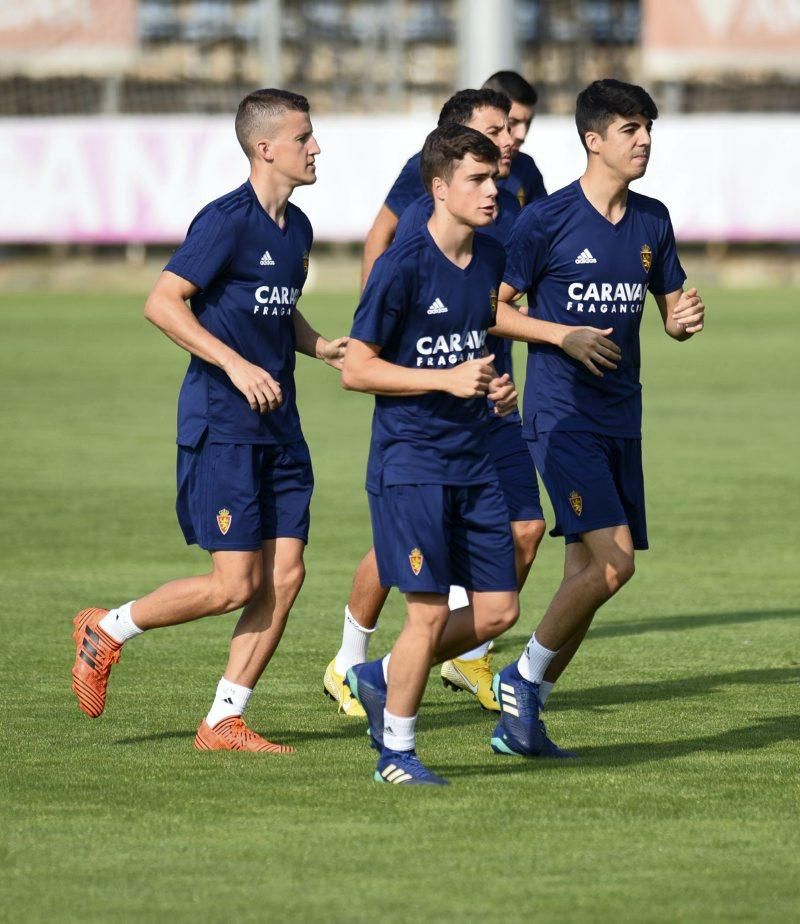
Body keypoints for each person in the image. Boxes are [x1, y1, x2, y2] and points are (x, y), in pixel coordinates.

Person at [70, 89, 347, 752]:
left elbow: (277, 310)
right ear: (265, 148)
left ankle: (224, 719)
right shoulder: (225, 221)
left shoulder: (298, 228)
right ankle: (108, 629)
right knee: (234, 584)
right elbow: (163, 303)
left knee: (285, 576)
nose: (316, 148)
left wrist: (317, 346)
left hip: (281, 428)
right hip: (223, 424)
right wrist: (235, 366)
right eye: (304, 137)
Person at [490, 79, 706, 758]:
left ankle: (523, 720)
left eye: (649, 129)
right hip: (561, 416)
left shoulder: (653, 220)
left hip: (622, 416)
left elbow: (670, 309)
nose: (644, 141)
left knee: (583, 581)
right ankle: (519, 680)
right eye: (631, 129)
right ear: (594, 139)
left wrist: (681, 322)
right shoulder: (545, 220)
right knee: (614, 568)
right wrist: (561, 336)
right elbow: (492, 307)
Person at [323, 88, 540, 717]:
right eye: (491, 140)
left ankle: (400, 669)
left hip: (479, 428)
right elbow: (359, 365)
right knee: (416, 582)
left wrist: (493, 382)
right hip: (417, 446)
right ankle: (383, 716)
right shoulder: (408, 252)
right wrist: (427, 365)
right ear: (441, 184)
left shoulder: (494, 245)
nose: (505, 153)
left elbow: (481, 328)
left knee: (512, 566)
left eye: (511, 132)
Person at [360, 73, 546, 289]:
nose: (518, 135)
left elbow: (542, 240)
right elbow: (381, 233)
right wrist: (370, 306)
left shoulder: (524, 172)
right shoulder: (429, 170)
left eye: (527, 123)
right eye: (511, 123)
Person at [482, 70, 546, 207]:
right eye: (512, 122)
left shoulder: (525, 169)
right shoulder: (436, 163)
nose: (521, 135)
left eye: (528, 123)